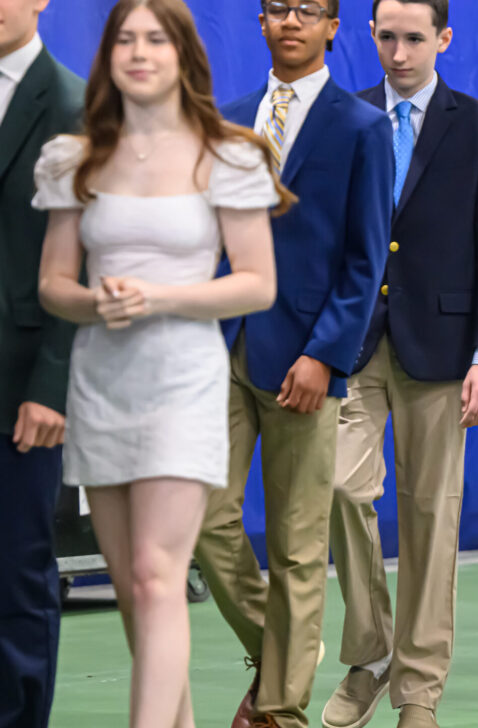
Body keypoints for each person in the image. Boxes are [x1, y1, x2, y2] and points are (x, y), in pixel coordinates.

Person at [33, 1, 288, 725]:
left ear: (183, 55)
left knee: (156, 576)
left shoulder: (228, 154)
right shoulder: (74, 157)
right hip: (102, 382)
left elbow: (256, 282)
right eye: (125, 39)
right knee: (134, 586)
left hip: (185, 380)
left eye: (155, 39)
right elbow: (55, 284)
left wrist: (161, 296)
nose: (139, 52)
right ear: (108, 55)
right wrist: (97, 303)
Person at [193, 1, 394, 726]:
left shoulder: (362, 127)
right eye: (278, 6)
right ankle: (279, 656)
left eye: (308, 9)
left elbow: (365, 261)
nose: (291, 19)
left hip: (306, 361)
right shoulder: (229, 118)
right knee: (202, 525)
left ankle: (279, 710)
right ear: (259, 20)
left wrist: (326, 356)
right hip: (221, 350)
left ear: (335, 27)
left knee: (298, 544)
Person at [320, 1, 478, 726]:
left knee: (433, 519)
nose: (399, 53)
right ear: (370, 35)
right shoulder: (347, 115)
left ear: (444, 39)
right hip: (355, 342)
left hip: (446, 346)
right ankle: (371, 649)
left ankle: (418, 693)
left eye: (414, 39)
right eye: (387, 37)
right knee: (339, 487)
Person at [0, 1, 83, 725]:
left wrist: (52, 386)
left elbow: (80, 258)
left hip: (21, 386)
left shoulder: (72, 104)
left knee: (19, 575)